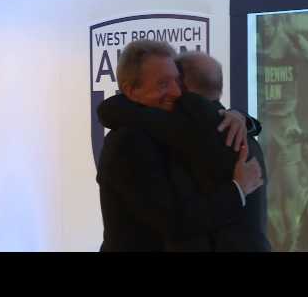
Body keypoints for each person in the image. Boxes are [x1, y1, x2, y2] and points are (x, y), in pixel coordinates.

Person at [96, 40, 263, 252]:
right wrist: (238, 189)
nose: (177, 92)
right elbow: (175, 221)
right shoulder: (127, 142)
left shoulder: (167, 129)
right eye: (163, 84)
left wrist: (241, 117)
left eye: (177, 81)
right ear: (131, 91)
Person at [257, 13, 308, 251]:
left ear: (276, 24)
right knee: (260, 188)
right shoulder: (253, 44)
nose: (265, 30)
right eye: (262, 26)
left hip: (286, 123)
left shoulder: (287, 41)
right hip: (263, 122)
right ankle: (263, 235)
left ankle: (293, 242)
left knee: (290, 191)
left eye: (269, 25)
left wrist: (296, 36)